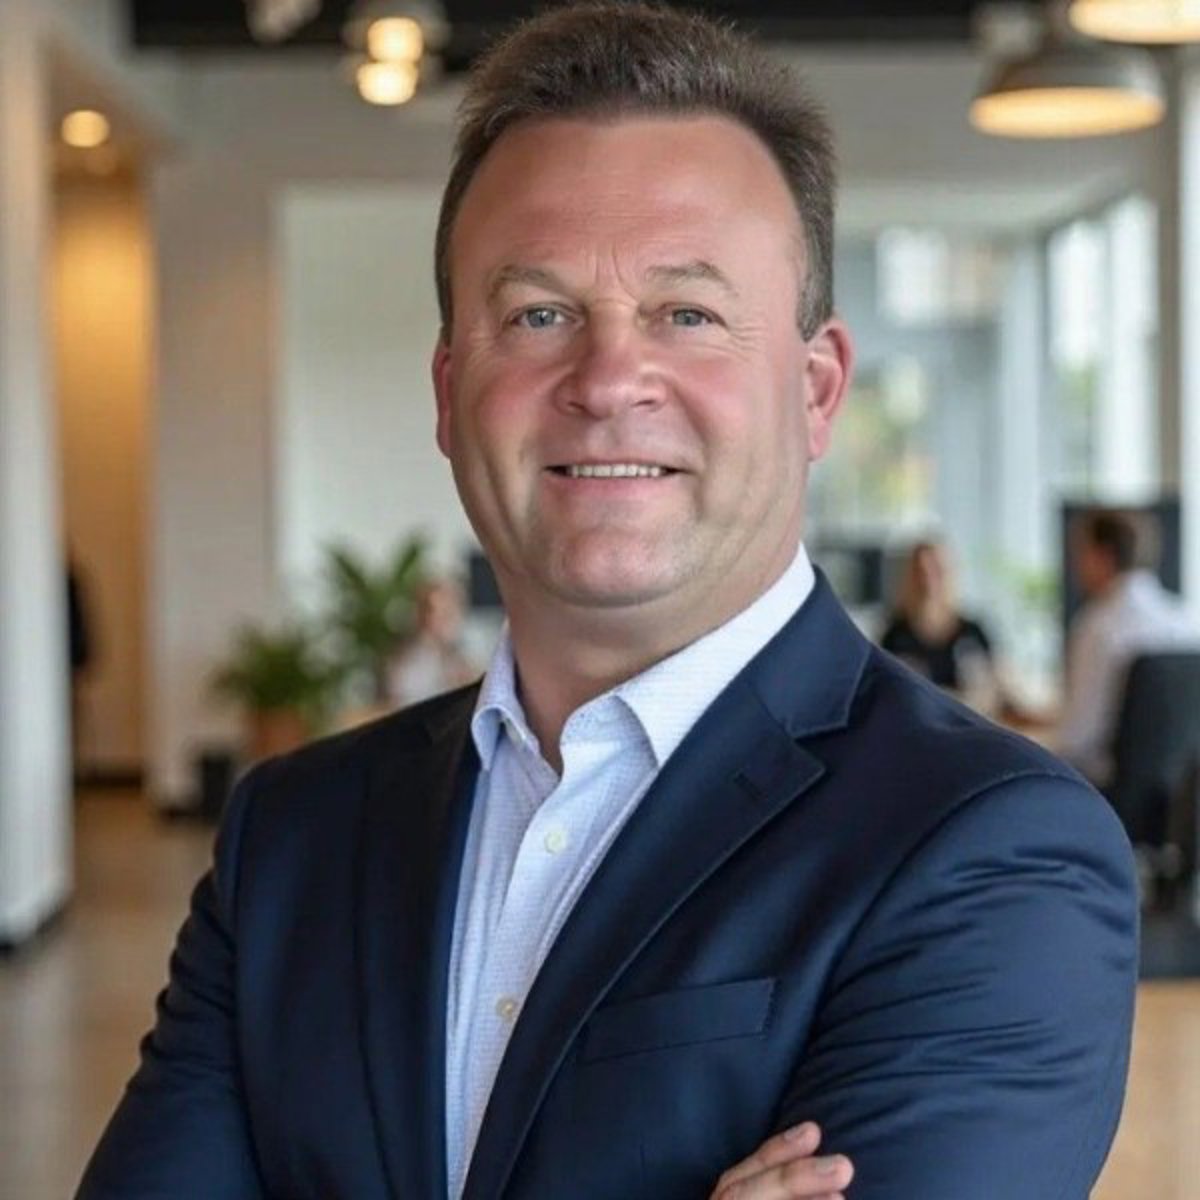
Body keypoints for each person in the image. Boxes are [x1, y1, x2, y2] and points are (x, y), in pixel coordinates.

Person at [78, 6, 1137, 1198]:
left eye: (688, 314)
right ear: (449, 392)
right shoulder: (292, 837)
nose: (608, 379)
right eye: (538, 314)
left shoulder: (992, 851)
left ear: (816, 390)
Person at [1059, 509, 1200, 786]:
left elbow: (1076, 741)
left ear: (1102, 556)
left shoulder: (1099, 626)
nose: (1075, 566)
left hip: (1104, 793)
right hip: (1178, 798)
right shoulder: (1187, 621)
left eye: (1080, 553)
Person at [879, 538, 996, 695]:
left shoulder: (972, 633)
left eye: (936, 572)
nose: (928, 581)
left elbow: (994, 685)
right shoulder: (895, 636)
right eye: (921, 572)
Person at [386, 577, 479, 707]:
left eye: (449, 613)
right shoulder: (407, 662)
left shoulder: (461, 658)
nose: (445, 621)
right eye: (437, 613)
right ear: (422, 616)